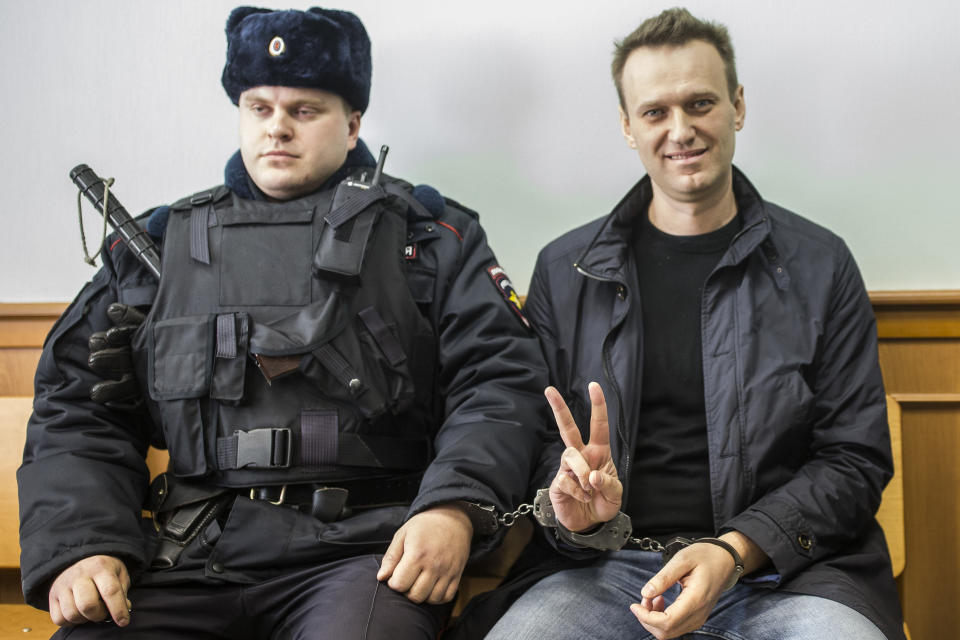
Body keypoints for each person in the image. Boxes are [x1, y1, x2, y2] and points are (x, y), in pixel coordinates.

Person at [17, 7, 548, 639]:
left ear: (352, 125)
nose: (277, 130)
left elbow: (499, 383)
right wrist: (83, 542)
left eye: (304, 110)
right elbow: (77, 404)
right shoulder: (159, 248)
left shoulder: (427, 240)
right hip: (191, 557)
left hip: (364, 559)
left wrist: (454, 507)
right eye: (259, 108)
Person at [483, 7, 904, 640]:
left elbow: (854, 458)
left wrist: (735, 550)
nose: (681, 129)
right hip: (605, 573)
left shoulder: (820, 264)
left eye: (701, 103)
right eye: (655, 112)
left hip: (786, 573)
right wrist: (581, 514)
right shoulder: (565, 272)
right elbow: (542, 444)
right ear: (628, 127)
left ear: (738, 105)